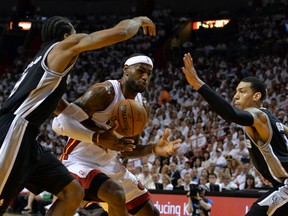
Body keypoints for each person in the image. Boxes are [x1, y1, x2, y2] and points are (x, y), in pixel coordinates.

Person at [0, 15, 156, 215]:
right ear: (67, 36)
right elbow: (121, 32)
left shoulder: (43, 63)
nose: (78, 40)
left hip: (28, 138)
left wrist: (97, 132)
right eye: (74, 34)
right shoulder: (60, 48)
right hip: (14, 131)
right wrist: (138, 20)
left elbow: (60, 106)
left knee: (72, 192)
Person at [52, 53, 181, 216]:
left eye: (149, 74)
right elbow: (63, 118)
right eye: (141, 70)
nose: (146, 77)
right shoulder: (105, 92)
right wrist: (99, 137)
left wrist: (154, 148)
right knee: (116, 194)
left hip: (109, 164)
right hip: (79, 161)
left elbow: (127, 151)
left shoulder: (142, 107)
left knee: (151, 213)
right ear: (126, 70)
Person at [182, 52, 288, 216]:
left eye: (242, 91)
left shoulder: (258, 116)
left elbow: (230, 114)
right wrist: (266, 171)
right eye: (236, 91)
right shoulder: (271, 117)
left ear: (256, 96)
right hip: (279, 183)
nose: (235, 95)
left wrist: (198, 84)